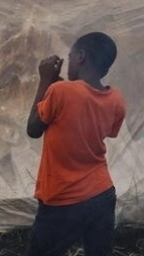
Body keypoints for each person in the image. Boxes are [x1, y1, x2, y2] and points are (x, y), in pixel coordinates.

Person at [25, 32, 126, 256]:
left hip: (62, 199)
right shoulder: (116, 99)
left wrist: (44, 81)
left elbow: (33, 129)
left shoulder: (59, 91)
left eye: (70, 58)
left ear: (80, 56)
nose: (68, 63)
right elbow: (106, 129)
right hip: (101, 195)